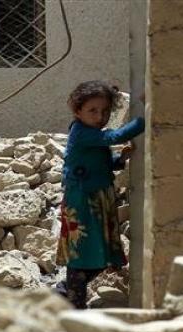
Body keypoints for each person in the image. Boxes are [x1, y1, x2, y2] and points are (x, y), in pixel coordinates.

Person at [56, 80, 146, 309]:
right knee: (83, 250)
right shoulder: (81, 132)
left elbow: (99, 160)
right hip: (83, 199)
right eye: (93, 111)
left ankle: (66, 291)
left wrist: (119, 160)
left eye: (105, 111)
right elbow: (111, 138)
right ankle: (74, 302)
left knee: (99, 250)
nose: (100, 116)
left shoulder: (92, 132)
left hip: (98, 197)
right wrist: (144, 120)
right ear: (78, 112)